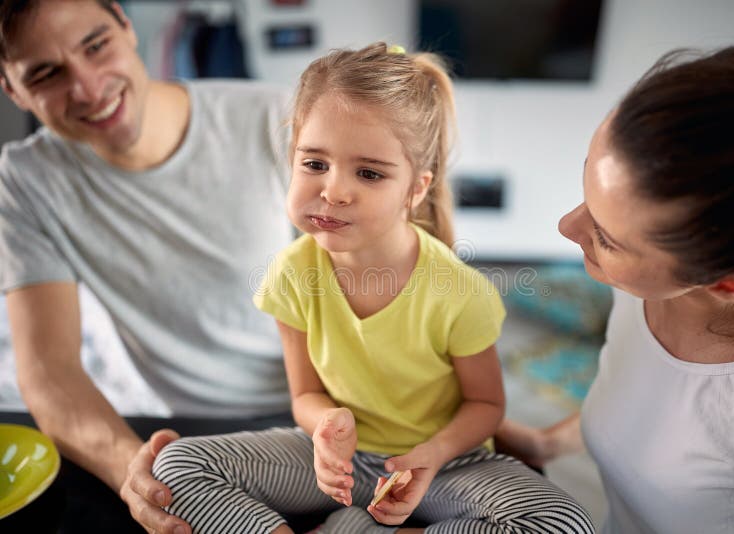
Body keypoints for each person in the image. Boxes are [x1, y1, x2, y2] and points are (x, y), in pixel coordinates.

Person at [152, 42, 596, 533]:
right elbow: (303, 395)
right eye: (314, 163)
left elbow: (486, 407)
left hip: (445, 466)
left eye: (368, 173)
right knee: (174, 466)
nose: (333, 190)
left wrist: (432, 453)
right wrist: (324, 428)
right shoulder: (291, 274)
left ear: (416, 189)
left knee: (559, 521)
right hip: (338, 467)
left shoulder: (458, 290)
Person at [0, 1, 295, 532]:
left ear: (126, 26)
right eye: (46, 74)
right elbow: (49, 371)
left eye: (96, 46)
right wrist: (134, 474)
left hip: (337, 411)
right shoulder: (27, 179)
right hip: (191, 437)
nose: (89, 88)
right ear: (14, 91)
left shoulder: (279, 118)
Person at [495, 45, 734, 534]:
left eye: (607, 239)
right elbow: (649, 407)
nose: (566, 226)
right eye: (586, 190)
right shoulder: (640, 290)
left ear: (728, 284)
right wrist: (541, 445)